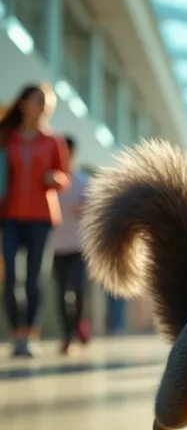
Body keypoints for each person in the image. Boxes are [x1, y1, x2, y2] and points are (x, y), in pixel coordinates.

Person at [0, 83, 69, 357]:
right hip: (11, 216)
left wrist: (56, 179)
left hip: (41, 215)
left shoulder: (53, 141)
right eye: (37, 100)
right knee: (10, 277)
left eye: (46, 101)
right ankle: (16, 333)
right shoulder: (8, 138)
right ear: (23, 104)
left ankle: (30, 333)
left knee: (34, 278)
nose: (42, 105)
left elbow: (64, 175)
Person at [50, 136, 90, 354]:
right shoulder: (52, 181)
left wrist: (83, 210)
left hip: (78, 246)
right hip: (56, 247)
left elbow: (93, 211)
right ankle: (67, 334)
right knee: (61, 292)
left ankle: (78, 324)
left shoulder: (83, 182)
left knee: (77, 289)